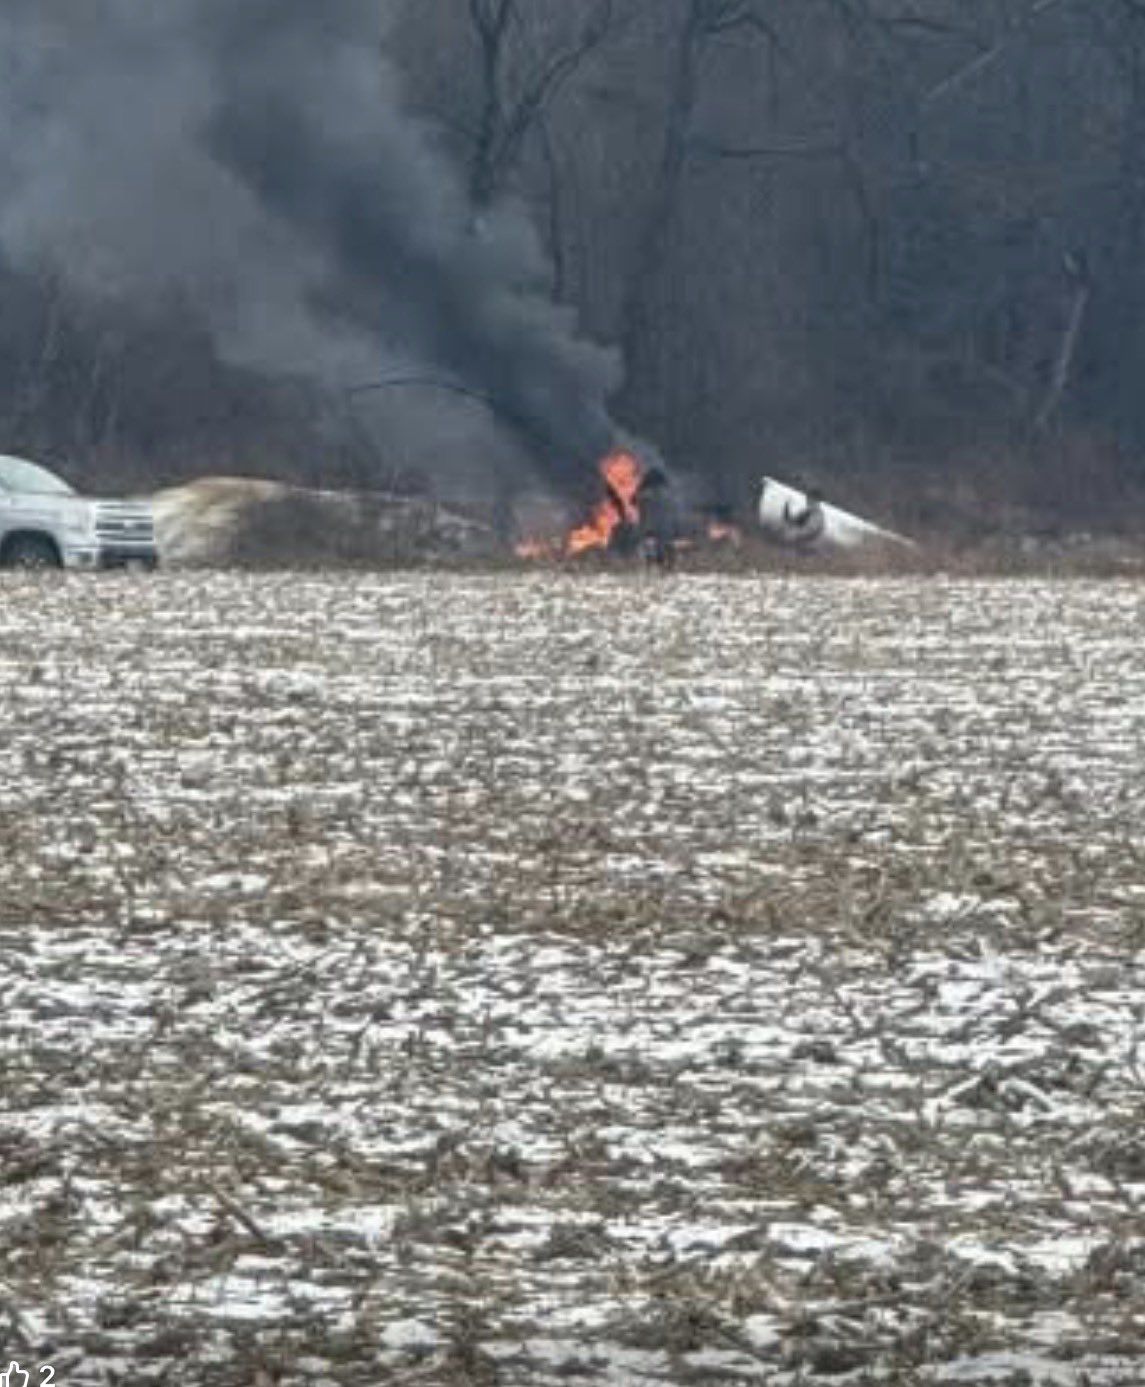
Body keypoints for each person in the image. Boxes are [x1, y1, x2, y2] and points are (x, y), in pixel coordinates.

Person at [636, 467, 679, 570]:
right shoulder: (668, 495)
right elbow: (672, 512)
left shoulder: (644, 496)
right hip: (665, 529)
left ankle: (652, 566)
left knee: (650, 553)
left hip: (650, 529)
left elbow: (643, 514)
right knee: (666, 549)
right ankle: (667, 567)